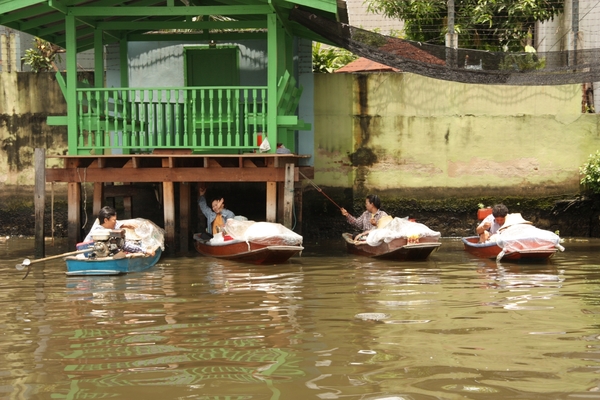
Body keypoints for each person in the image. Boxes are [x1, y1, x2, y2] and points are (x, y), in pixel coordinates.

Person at [83, 206, 155, 255]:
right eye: (114, 220)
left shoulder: (98, 227)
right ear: (105, 220)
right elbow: (124, 245)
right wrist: (145, 251)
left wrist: (126, 225)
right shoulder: (103, 232)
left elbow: (117, 224)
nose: (115, 222)